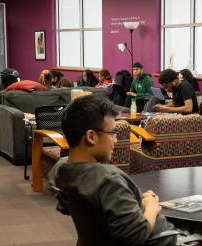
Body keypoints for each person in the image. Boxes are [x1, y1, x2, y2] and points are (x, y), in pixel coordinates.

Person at [52, 96, 175, 245]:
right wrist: (151, 206)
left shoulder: (61, 168)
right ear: (91, 136)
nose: (115, 141)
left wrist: (129, 200)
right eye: (112, 134)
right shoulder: (108, 179)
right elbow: (136, 236)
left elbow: (82, 208)